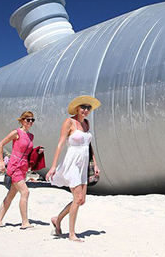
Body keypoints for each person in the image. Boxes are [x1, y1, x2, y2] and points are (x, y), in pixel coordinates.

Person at [47, 95, 101, 242]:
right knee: (77, 198)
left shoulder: (86, 124)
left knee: (81, 200)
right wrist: (53, 166)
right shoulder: (69, 121)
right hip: (72, 162)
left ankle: (57, 219)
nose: (85, 110)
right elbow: (60, 144)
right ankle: (72, 234)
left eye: (88, 108)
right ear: (77, 108)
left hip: (84, 163)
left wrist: (95, 164)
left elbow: (89, 146)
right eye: (83, 107)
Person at [0, 110, 37, 229]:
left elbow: (28, 152)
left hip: (23, 167)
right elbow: (0, 145)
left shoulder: (30, 136)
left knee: (11, 195)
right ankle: (25, 222)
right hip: (15, 166)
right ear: (22, 120)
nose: (30, 122)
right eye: (28, 120)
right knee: (25, 192)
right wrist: (2, 162)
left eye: (32, 120)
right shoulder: (16, 132)